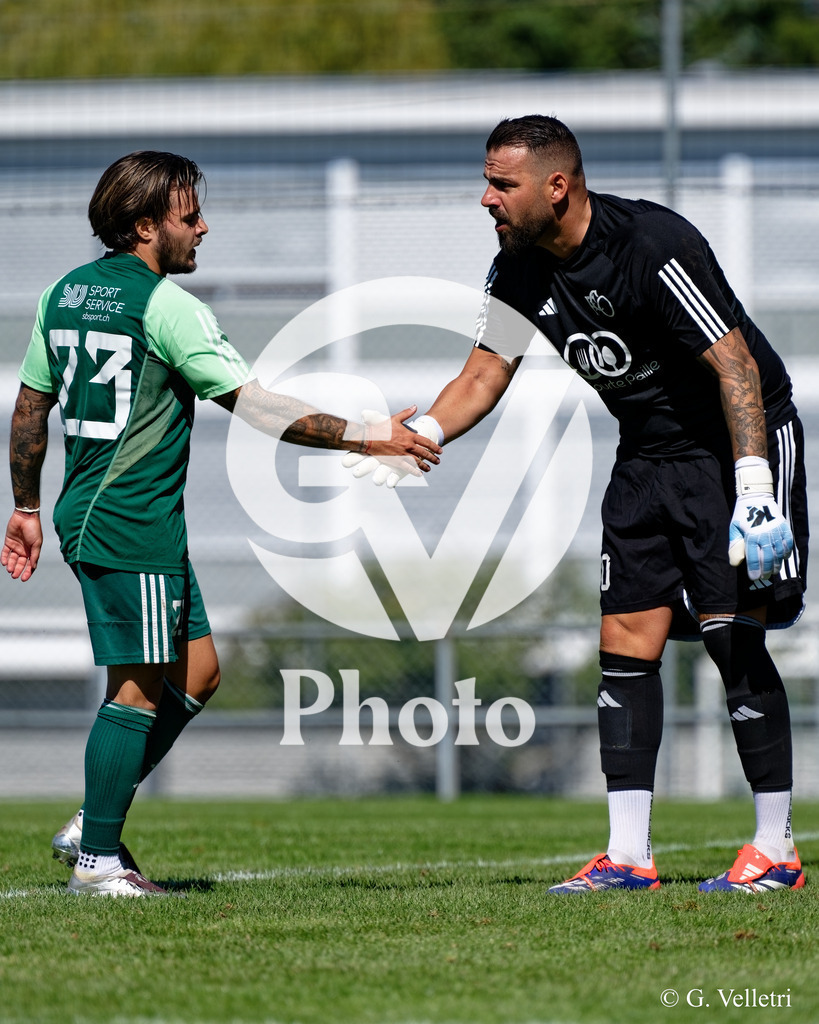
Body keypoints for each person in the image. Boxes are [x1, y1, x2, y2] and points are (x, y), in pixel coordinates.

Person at [348, 115, 808, 894]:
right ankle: (627, 857)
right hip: (644, 458)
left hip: (733, 446)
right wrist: (420, 432)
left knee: (736, 642)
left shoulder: (652, 246)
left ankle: (776, 851)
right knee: (624, 648)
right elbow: (483, 375)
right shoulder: (517, 267)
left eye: (501, 183)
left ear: (555, 186)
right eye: (487, 180)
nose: (484, 198)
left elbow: (734, 363)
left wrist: (756, 489)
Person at [1, 150, 441, 898]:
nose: (204, 226)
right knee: (138, 686)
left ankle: (90, 820)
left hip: (108, 514)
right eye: (188, 215)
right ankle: (98, 864)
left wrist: (28, 506)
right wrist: (370, 436)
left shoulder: (63, 293)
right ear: (144, 226)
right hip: (128, 517)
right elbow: (259, 407)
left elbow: (29, 410)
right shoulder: (167, 307)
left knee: (198, 672)